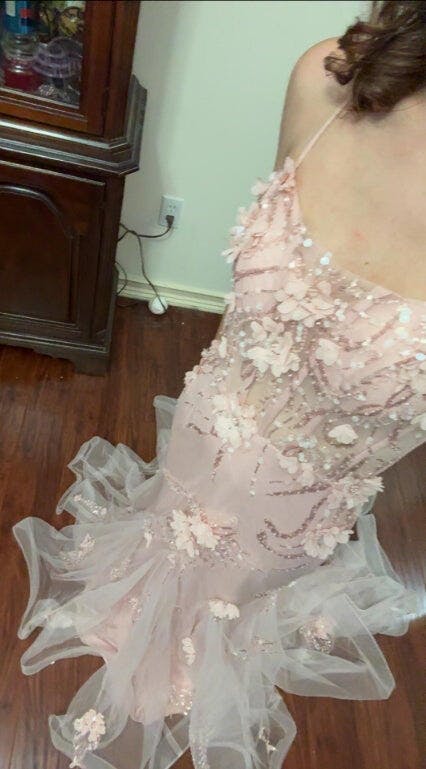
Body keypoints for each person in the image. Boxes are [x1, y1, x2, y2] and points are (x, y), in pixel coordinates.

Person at [13, 2, 426, 768]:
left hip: (297, 511)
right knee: (174, 531)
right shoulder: (328, 78)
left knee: (229, 601)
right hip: (211, 420)